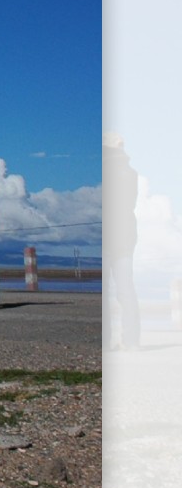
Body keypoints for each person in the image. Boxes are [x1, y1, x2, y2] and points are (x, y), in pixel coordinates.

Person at [104, 132, 140, 349]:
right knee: (126, 287)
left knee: (110, 289)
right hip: (127, 231)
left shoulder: (107, 170)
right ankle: (132, 340)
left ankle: (108, 340)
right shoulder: (131, 172)